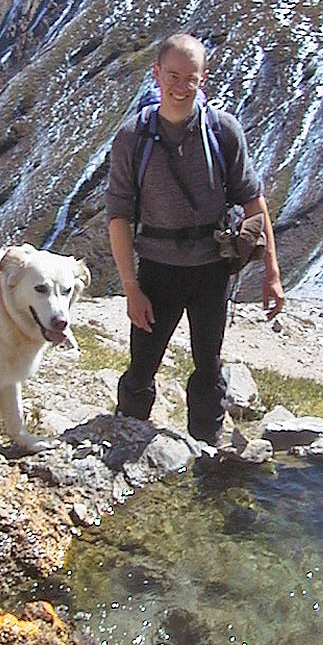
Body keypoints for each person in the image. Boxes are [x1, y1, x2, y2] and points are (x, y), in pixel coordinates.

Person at [106, 32, 284, 444]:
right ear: (156, 74)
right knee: (142, 367)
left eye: (191, 78)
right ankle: (126, 439)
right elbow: (118, 217)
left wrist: (272, 274)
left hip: (211, 270)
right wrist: (131, 288)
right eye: (173, 76)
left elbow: (254, 202)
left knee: (208, 365)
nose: (181, 86)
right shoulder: (133, 138)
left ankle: (207, 449)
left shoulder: (223, 131)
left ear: (203, 79)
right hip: (158, 271)